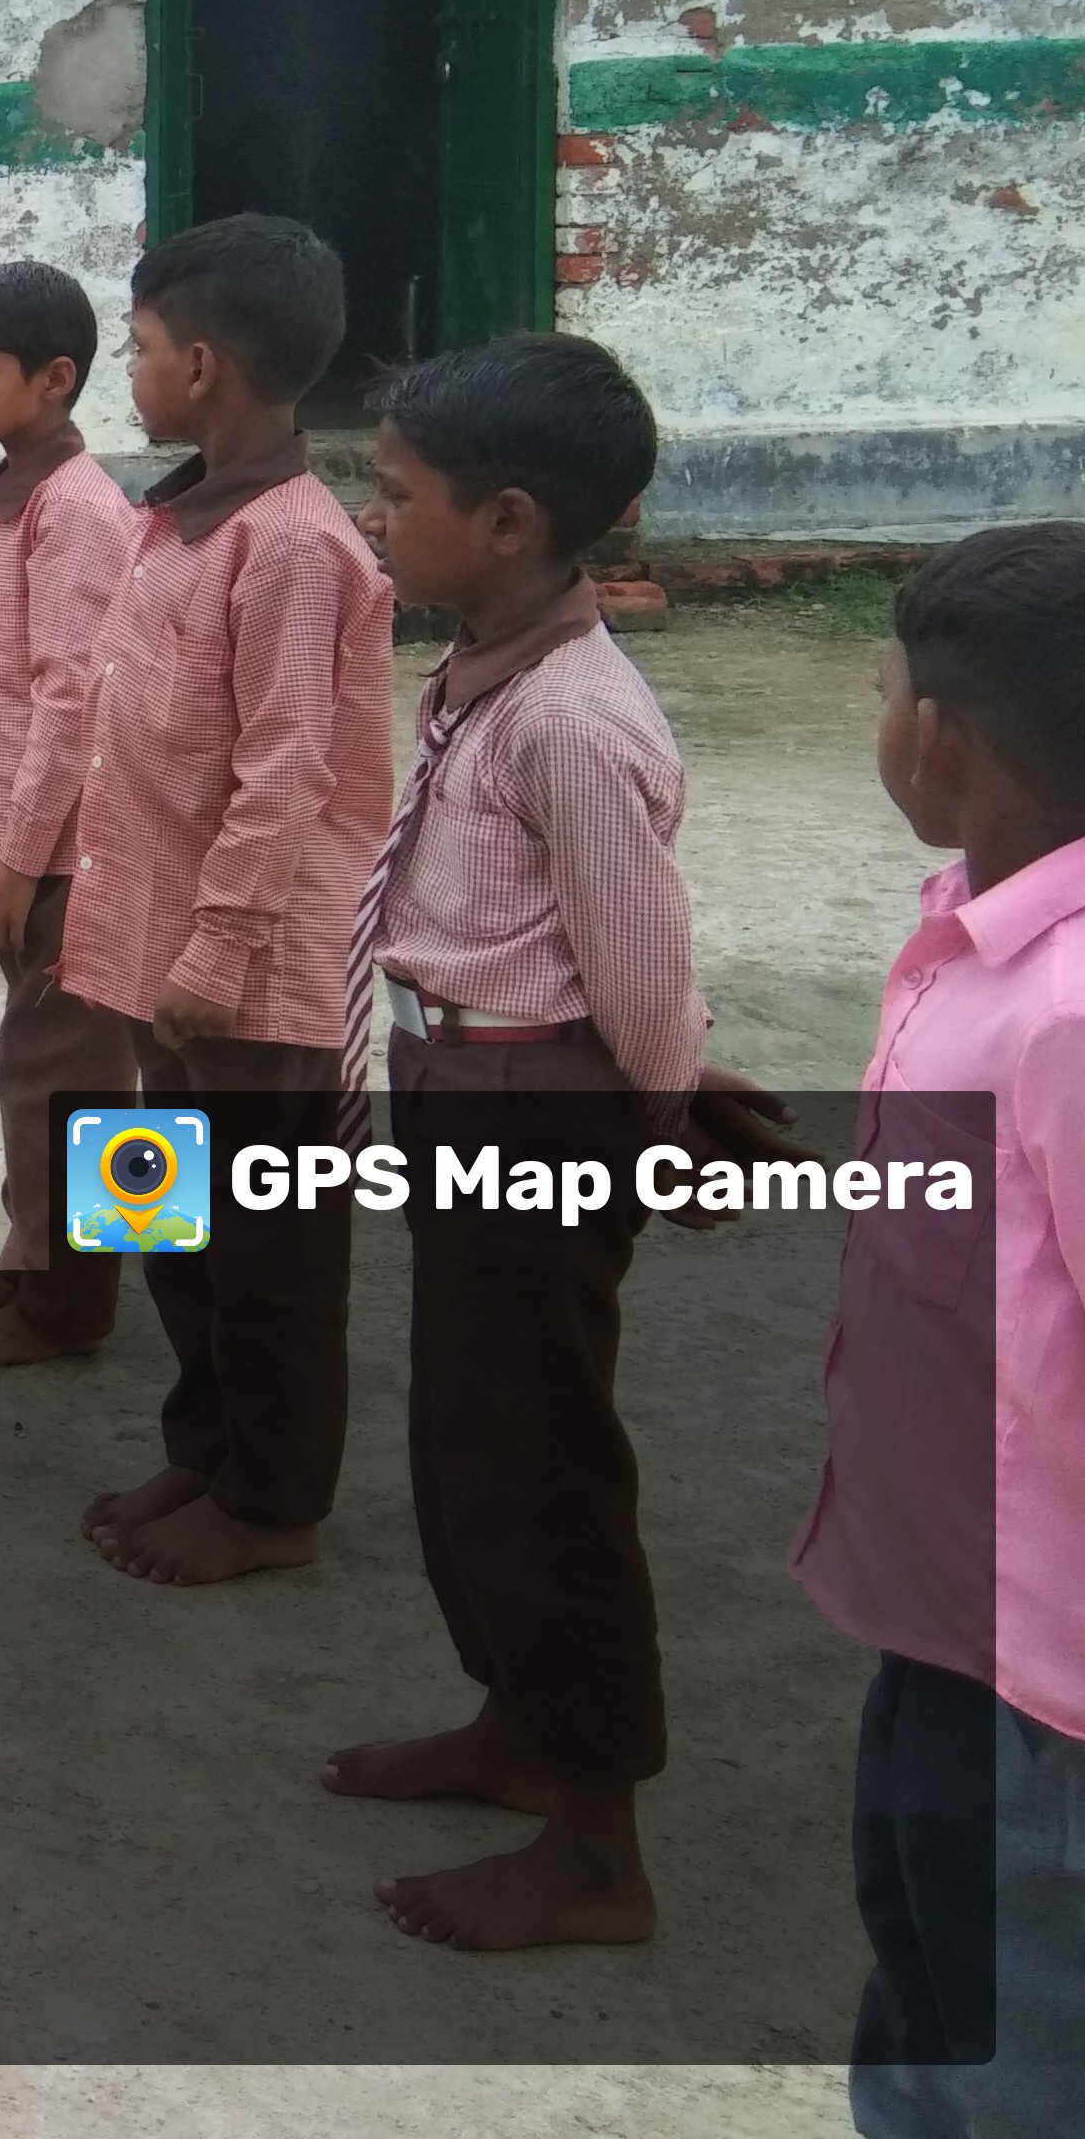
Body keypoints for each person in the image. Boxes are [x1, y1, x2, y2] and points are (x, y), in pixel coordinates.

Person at [327, 330, 792, 1947]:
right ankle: (516, 1724)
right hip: (467, 1090)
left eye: (395, 492)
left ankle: (597, 1841)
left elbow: (640, 964)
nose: (373, 514)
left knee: (537, 1463)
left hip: (534, 1114)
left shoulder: (575, 721)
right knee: (467, 1435)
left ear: (508, 520)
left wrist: (664, 1112)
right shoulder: (489, 668)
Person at [794, 520, 1085, 2134]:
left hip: (1054, 1677)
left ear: (942, 734)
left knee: (1024, 2038)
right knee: (921, 1971)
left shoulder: (1067, 1007)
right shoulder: (977, 933)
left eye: (882, 690)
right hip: (948, 1602)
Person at [61, 212, 396, 1589]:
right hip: (149, 945)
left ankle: (274, 1498)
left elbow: (288, 770)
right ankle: (203, 1447)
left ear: (201, 365)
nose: (129, 371)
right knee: (163, 1223)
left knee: (271, 1254)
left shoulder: (297, 547)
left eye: (138, 347)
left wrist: (220, 948)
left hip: (245, 975)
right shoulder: (176, 516)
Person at [0, 262, 142, 1367]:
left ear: (54, 380)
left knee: (78, 1080)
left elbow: (73, 699)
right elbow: (1, 700)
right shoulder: (15, 493)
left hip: (81, 857)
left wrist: (23, 862)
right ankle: (32, 1258)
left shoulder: (78, 510)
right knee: (41, 1066)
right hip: (35, 842)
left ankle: (75, 1304)